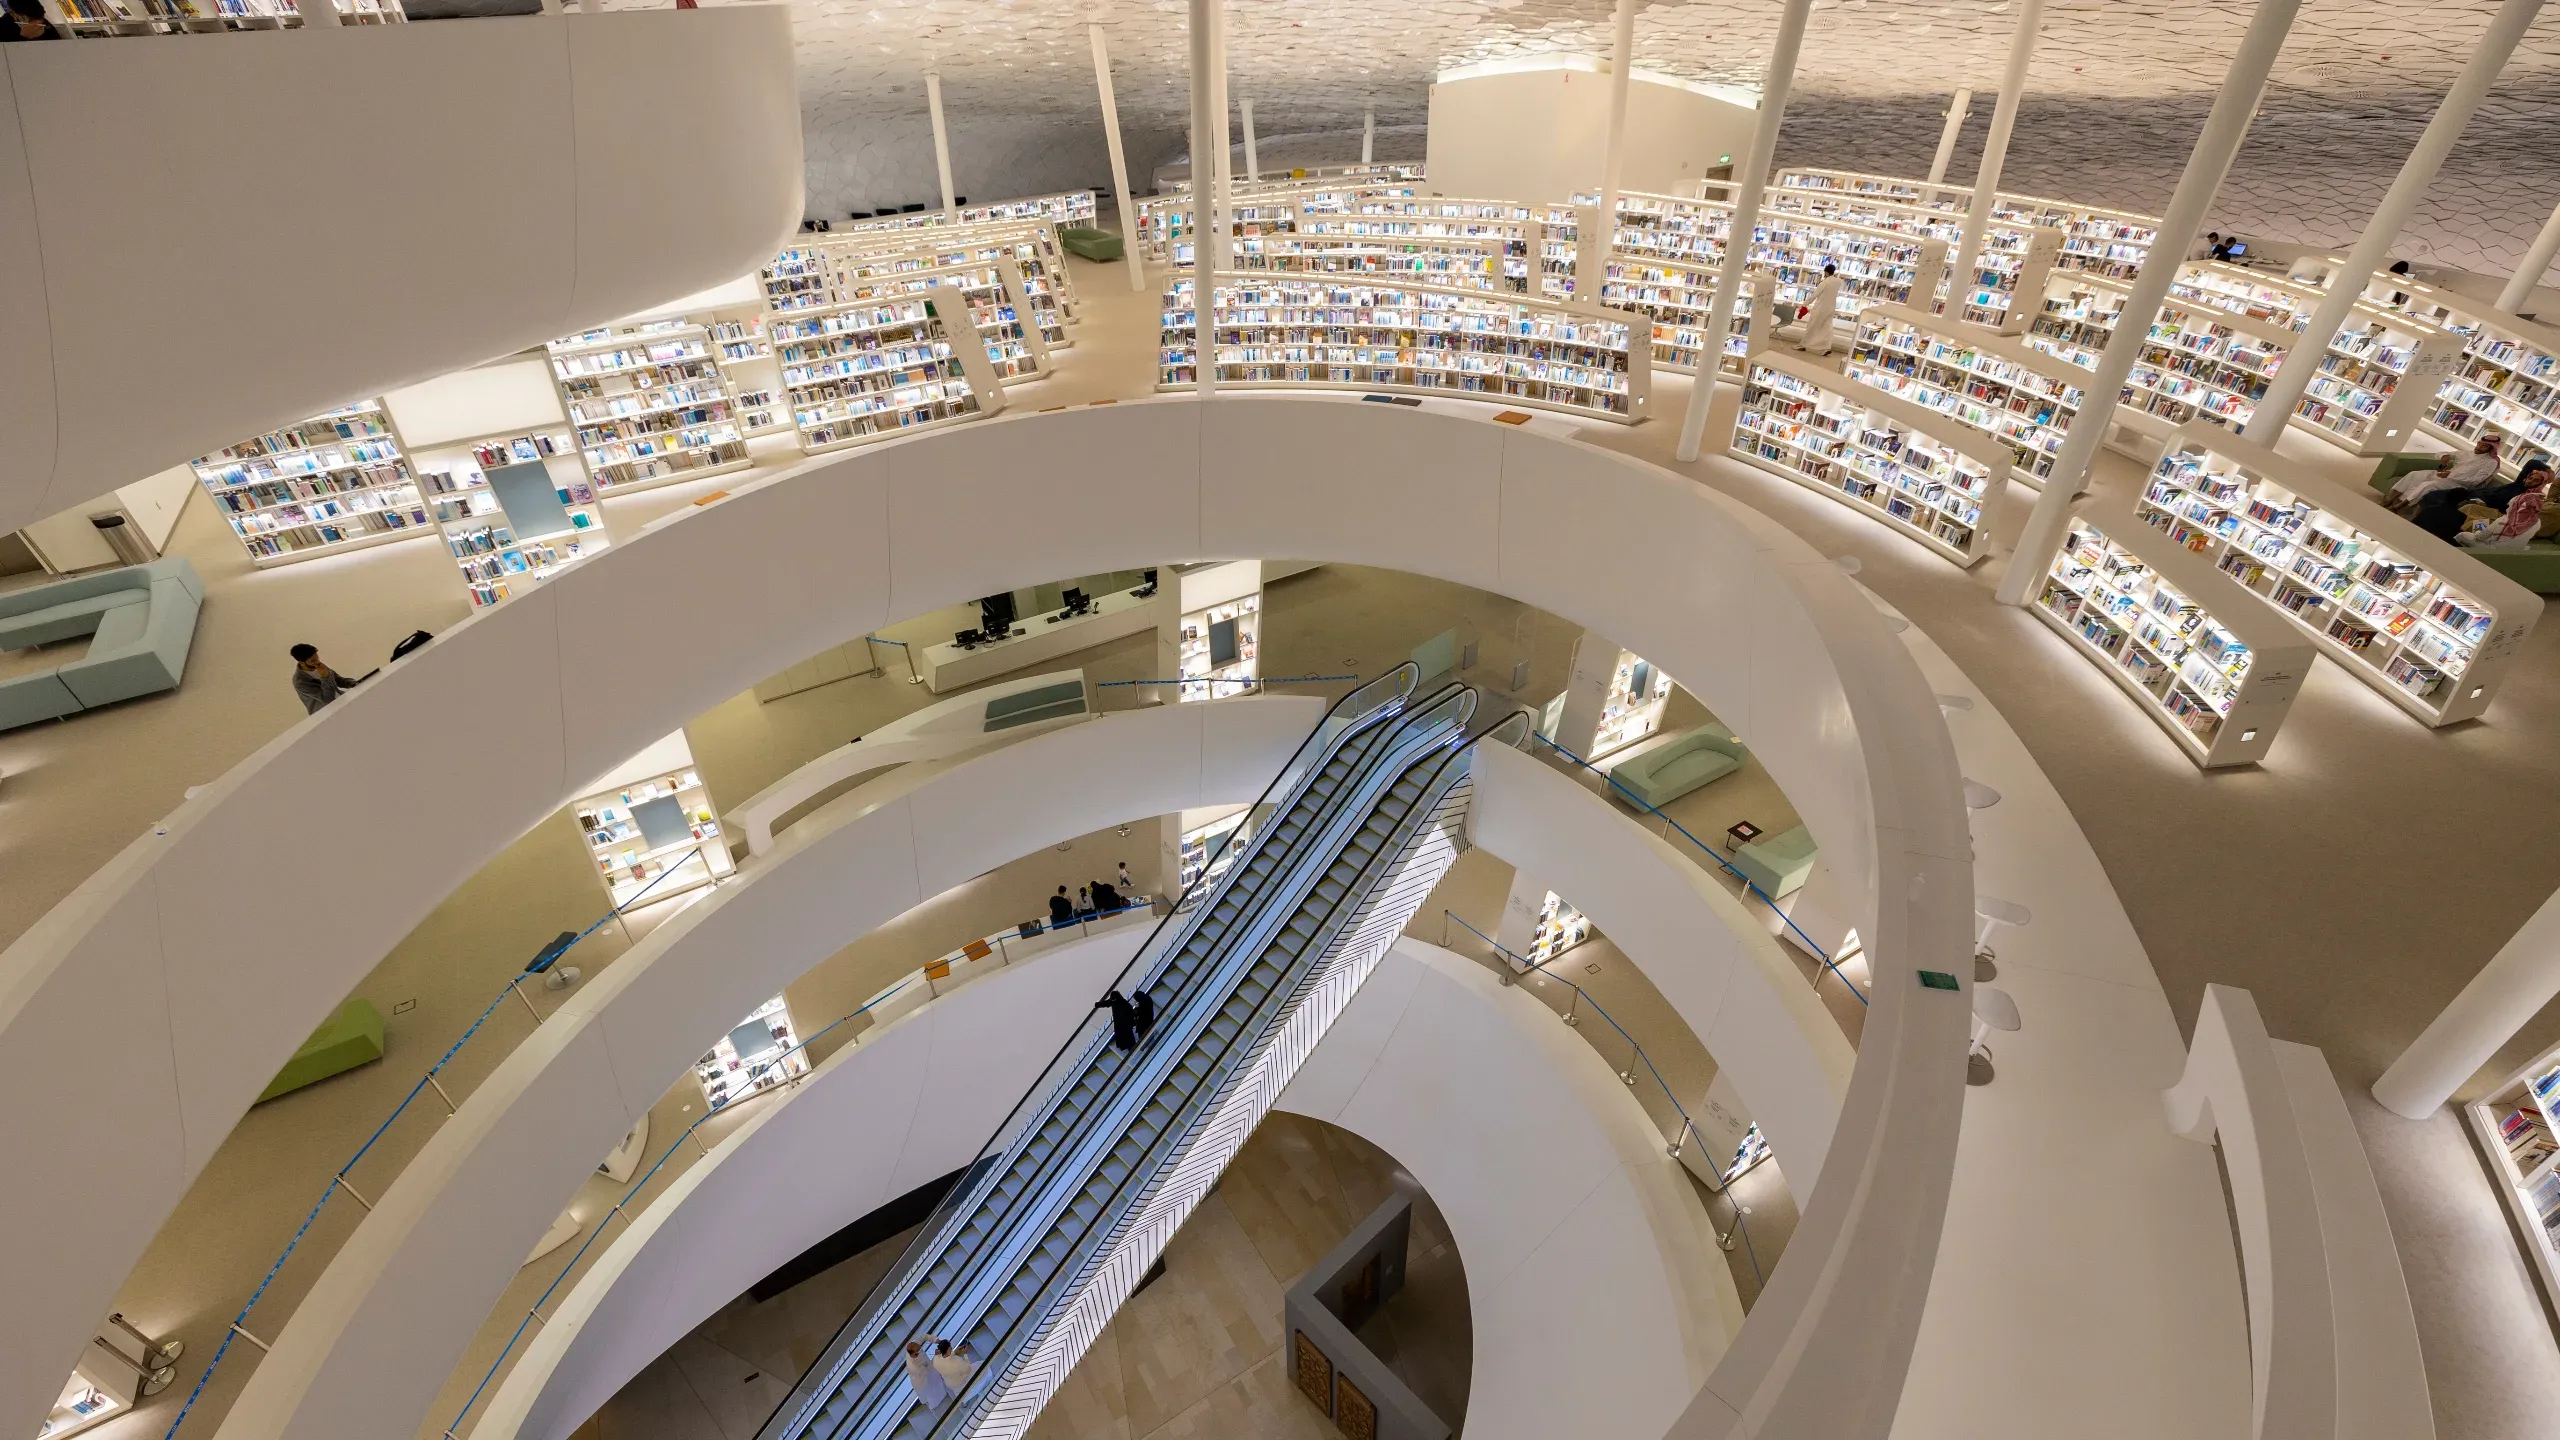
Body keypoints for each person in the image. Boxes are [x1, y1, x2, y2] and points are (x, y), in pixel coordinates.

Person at [2456, 461, 2552, 550]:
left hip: (2506, 518)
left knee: (2474, 522)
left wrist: (2487, 505)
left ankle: (2461, 538)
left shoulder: (2533, 499)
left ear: (2541, 484)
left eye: (2535, 481)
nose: (2530, 481)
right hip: (2494, 508)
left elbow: (2514, 516)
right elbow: (2531, 463)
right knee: (2468, 507)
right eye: (2530, 478)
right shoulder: (2519, 485)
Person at [289, 644, 364, 715]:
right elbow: (328, 698)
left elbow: (338, 680)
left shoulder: (319, 666)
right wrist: (324, 676)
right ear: (301, 662)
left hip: (341, 702)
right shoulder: (300, 682)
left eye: (317, 658)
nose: (317, 661)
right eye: (313, 660)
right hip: (326, 713)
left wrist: (354, 683)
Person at [1796, 263, 1844, 357]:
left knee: (1812, 326)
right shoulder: (1838, 282)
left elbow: (1815, 295)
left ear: (1826, 272)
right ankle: (1826, 347)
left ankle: (1803, 345)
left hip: (1820, 308)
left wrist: (1805, 304)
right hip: (1831, 308)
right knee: (1827, 328)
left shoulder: (1824, 283)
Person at [903, 1340, 947, 1407]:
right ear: (913, 1354)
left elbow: (924, 1336)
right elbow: (929, 1368)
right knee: (933, 1389)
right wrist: (936, 1355)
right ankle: (936, 1401)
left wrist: (937, 1340)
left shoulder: (912, 1347)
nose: (921, 1351)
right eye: (918, 1351)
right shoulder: (915, 1367)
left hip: (925, 1373)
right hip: (923, 1379)